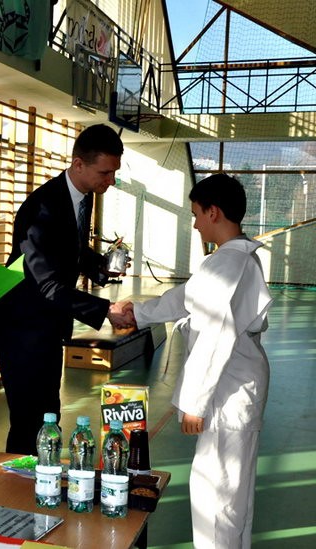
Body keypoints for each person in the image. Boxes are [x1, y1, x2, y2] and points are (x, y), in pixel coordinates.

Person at [121, 174, 271, 549]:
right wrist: (137, 314)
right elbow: (185, 299)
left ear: (213, 212)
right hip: (232, 379)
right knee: (228, 490)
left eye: (196, 214)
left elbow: (215, 335)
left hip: (229, 384)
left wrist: (194, 403)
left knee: (218, 495)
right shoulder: (225, 261)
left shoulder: (230, 263)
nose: (195, 224)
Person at [0, 123, 133, 455]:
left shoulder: (82, 196)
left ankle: (40, 475)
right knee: (27, 421)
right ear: (78, 164)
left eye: (113, 173)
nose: (110, 180)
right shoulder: (41, 209)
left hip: (47, 324)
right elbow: (47, 283)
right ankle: (17, 482)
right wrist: (106, 310)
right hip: (20, 326)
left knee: (48, 414)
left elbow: (71, 249)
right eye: (105, 173)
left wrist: (100, 265)